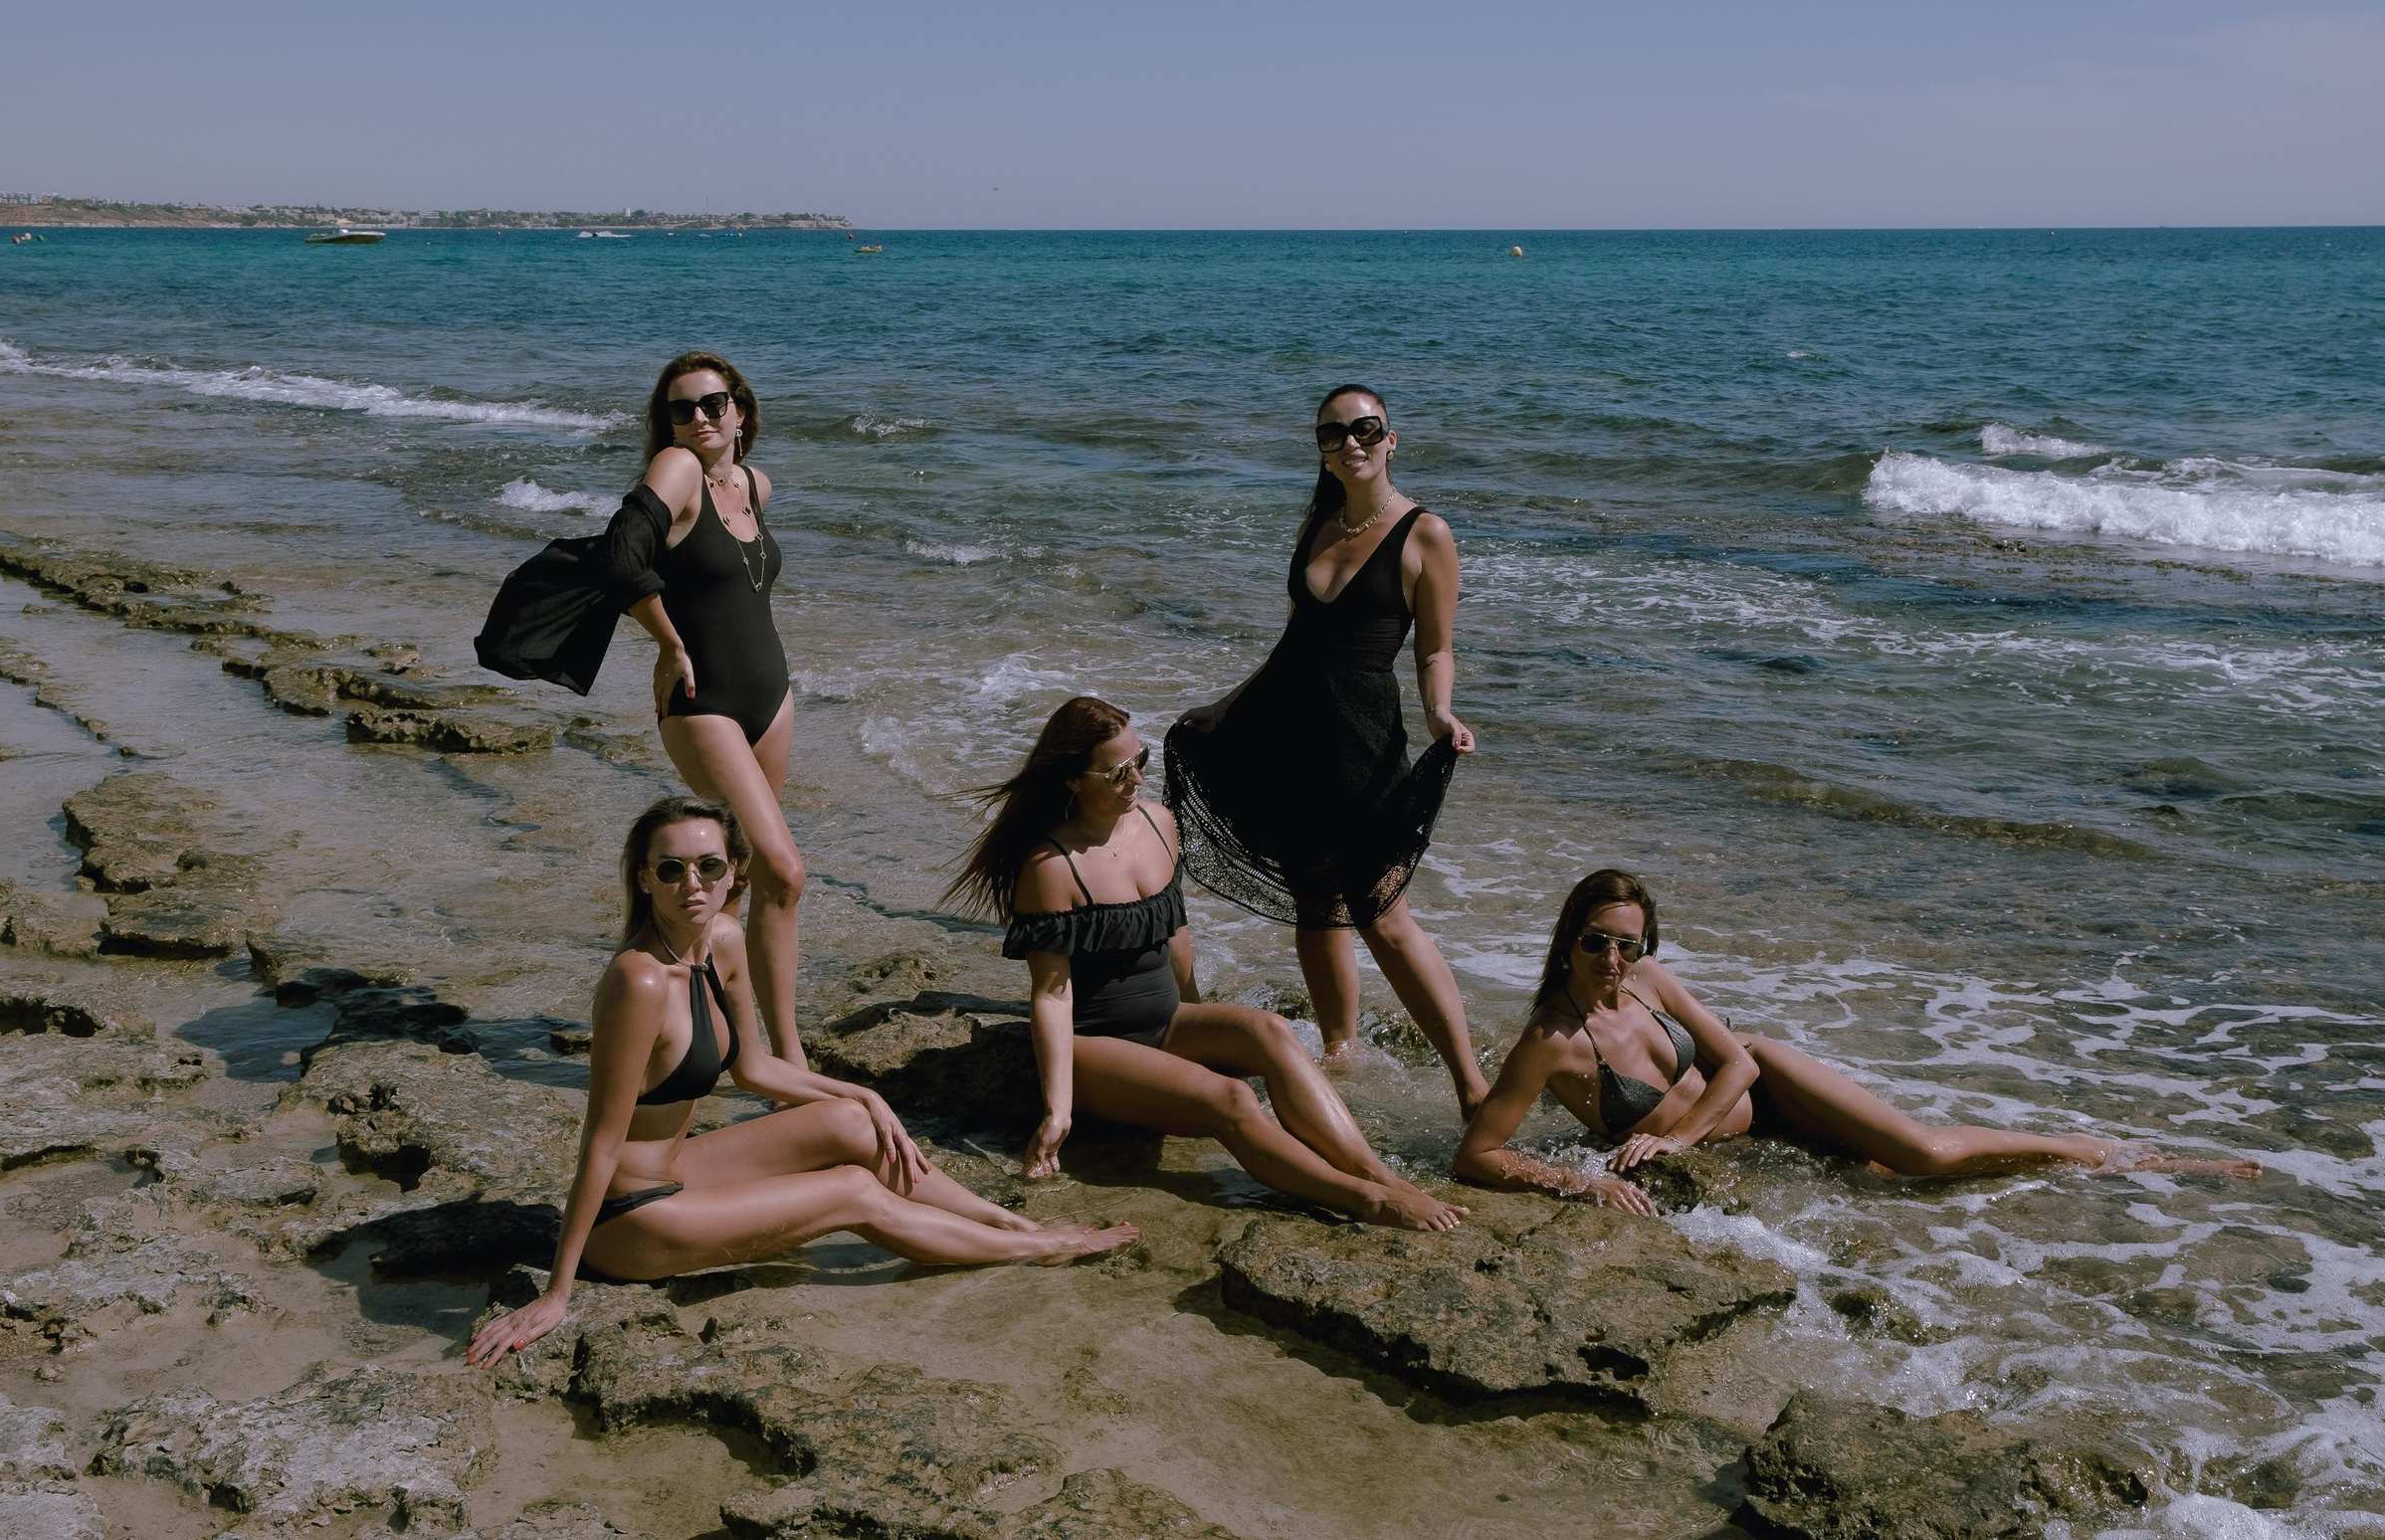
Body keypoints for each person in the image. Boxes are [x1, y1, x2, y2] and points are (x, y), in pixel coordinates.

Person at [468, 798, 1134, 1368]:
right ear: (644, 878)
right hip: (631, 1222)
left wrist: (864, 1095)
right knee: (850, 1189)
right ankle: (1037, 1245)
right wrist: (556, 1292)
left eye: (709, 865)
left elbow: (755, 1068)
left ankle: (1004, 1220)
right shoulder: (637, 981)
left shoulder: (722, 941)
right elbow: (601, 1143)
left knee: (850, 1122)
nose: (691, 883)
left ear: (736, 871)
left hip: (679, 1170)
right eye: (670, 868)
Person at [948, 697, 1469, 1233]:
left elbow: (1177, 937)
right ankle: (1365, 1199)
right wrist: (1058, 1109)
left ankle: (1378, 1173)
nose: (1136, 779)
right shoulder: (1050, 867)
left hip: (1167, 1024)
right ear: (1074, 780)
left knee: (1269, 1029)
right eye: (1117, 772)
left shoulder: (1159, 825)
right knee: (1231, 1097)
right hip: (1097, 1049)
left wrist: (1200, 1025)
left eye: (1142, 760)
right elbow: (1052, 995)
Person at [1454, 868, 2263, 1208]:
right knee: (1897, 1179)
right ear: (1568, 940)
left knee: (1923, 1155)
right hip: (1753, 1128)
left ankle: (2116, 1153)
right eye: (1598, 942)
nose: (1614, 961)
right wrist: (1582, 1183)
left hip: (1766, 1086)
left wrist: (1681, 1143)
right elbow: (1478, 1153)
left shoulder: (1650, 980)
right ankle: (2076, 1165)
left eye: (1628, 944)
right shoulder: (1550, 1040)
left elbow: (1738, 1057)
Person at [1166, 384, 1489, 1117]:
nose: (1351, 441)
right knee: (1318, 902)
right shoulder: (1317, 524)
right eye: (1334, 432)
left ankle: (1470, 1081)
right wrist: (1226, 705)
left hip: (1360, 736)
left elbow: (1436, 646)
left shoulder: (1424, 532)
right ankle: (1341, 1051)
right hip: (1288, 729)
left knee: (1382, 912)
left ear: (1391, 437)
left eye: (1365, 428)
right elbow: (1293, 640)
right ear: (1320, 448)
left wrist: (1440, 711)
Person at [617, 351, 807, 1068]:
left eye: (713, 403)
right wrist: (667, 643)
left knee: (742, 879)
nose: (699, 417)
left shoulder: (755, 483)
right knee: (786, 871)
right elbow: (622, 551)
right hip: (703, 703)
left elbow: (745, 594)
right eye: (681, 408)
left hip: (770, 699)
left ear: (742, 411)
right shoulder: (676, 471)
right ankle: (781, 1056)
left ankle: (695, 1031)